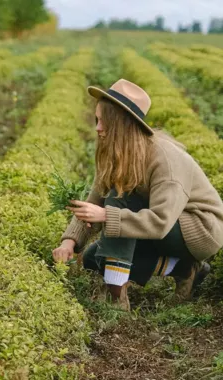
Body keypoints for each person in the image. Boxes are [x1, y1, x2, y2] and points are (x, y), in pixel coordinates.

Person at [52, 79, 223, 311]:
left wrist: (106, 216)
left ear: (122, 124)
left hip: (197, 229)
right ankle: (185, 269)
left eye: (104, 122)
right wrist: (69, 242)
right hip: (162, 225)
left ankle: (116, 299)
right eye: (97, 120)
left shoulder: (164, 160)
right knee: (95, 257)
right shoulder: (118, 152)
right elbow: (94, 202)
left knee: (119, 198)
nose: (97, 128)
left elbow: (161, 222)